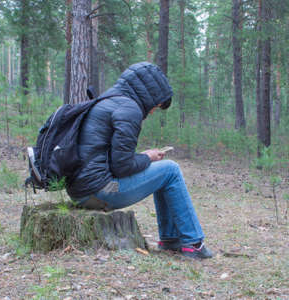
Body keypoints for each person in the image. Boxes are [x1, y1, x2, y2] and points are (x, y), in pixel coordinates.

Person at [67, 62, 212, 259]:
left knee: (163, 173)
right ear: (149, 96)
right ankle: (193, 243)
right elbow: (122, 167)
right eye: (156, 105)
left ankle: (170, 239)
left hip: (81, 191)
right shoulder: (129, 109)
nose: (153, 111)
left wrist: (145, 158)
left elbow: (109, 158)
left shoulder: (108, 101)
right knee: (170, 169)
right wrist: (147, 157)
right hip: (104, 190)